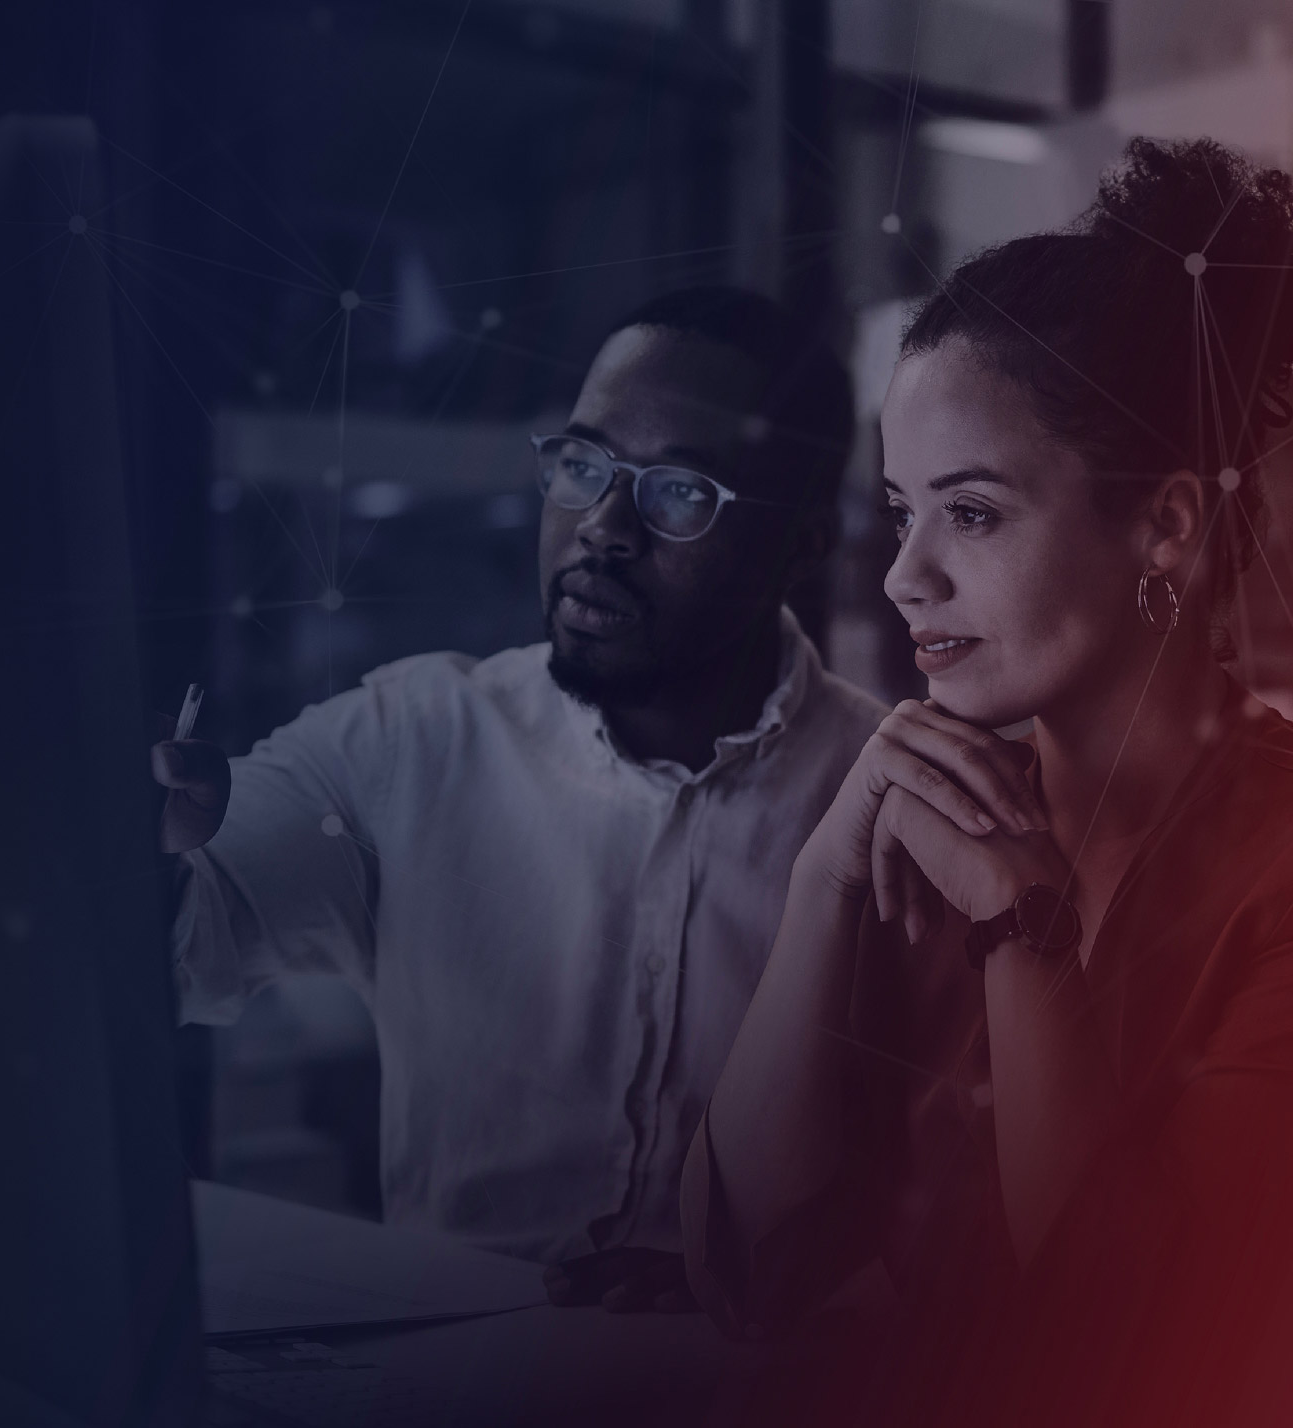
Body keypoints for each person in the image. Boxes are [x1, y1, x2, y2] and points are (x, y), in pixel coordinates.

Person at [681, 138, 1293, 1425]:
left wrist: (1025, 928)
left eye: (970, 513)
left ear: (1165, 527)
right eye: (899, 510)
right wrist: (823, 880)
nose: (907, 576)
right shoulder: (927, 820)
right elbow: (753, 1276)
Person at [153, 286, 887, 1309]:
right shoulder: (410, 740)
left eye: (679, 491)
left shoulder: (889, 805)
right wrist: (133, 838)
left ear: (805, 541)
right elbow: (181, 943)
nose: (603, 526)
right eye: (584, 466)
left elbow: (971, 1210)